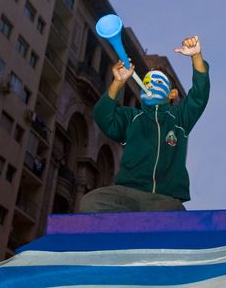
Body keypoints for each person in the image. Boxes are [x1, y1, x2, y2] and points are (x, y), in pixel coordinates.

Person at [79, 36, 210, 213]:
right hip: (126, 194)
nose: (149, 85)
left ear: (171, 94)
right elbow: (102, 116)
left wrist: (196, 57)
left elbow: (199, 95)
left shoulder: (179, 118)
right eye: (147, 81)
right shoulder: (131, 117)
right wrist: (117, 83)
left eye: (157, 81)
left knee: (176, 218)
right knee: (90, 202)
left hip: (166, 199)